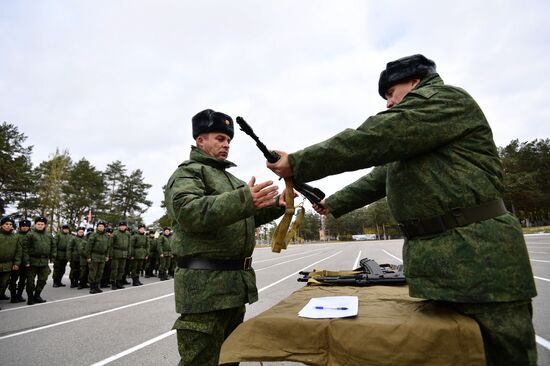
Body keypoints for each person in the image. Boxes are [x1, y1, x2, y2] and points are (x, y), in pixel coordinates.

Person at [266, 54, 537, 366]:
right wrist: (334, 203)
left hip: (481, 260)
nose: (389, 104)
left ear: (415, 82)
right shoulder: (421, 135)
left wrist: (299, 162)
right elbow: (382, 175)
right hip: (447, 261)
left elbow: (375, 136)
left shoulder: (443, 100)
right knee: (457, 354)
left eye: (391, 94)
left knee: (502, 352)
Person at [164, 108, 286, 366]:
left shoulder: (231, 179)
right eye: (220, 138)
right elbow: (189, 212)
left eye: (228, 140)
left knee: (229, 359)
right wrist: (244, 199)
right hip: (204, 291)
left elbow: (244, 218)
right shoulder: (189, 173)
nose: (226, 144)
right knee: (201, 361)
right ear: (200, 140)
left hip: (233, 287)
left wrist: (277, 204)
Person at [22, 216, 56, 305]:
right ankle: (30, 297)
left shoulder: (49, 235)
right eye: (38, 224)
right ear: (35, 225)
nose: (40, 226)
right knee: (30, 281)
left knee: (43, 279)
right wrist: (26, 261)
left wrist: (53, 257)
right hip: (32, 261)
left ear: (45, 225)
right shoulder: (30, 234)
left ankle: (37, 295)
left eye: (42, 224)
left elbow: (53, 246)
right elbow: (25, 248)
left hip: (44, 261)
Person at [0, 216, 22, 310]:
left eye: (10, 224)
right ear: (2, 225)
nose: (8, 226)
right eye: (6, 224)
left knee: (3, 284)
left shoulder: (15, 237)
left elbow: (18, 251)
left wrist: (16, 263)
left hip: (8, 265)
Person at [10, 218, 31, 302]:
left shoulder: (31, 236)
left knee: (23, 280)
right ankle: (13, 296)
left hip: (26, 262)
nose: (24, 227)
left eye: (26, 226)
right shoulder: (15, 236)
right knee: (13, 280)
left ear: (29, 227)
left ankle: (19, 295)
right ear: (20, 227)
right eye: (22, 226)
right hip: (16, 262)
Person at [86, 221, 110, 294]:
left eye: (102, 226)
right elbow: (88, 247)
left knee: (100, 272)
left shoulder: (106, 236)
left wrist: (107, 255)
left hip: (102, 256)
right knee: (93, 272)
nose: (101, 227)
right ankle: (92, 287)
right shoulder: (94, 235)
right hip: (94, 255)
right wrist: (88, 256)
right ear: (97, 227)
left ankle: (97, 286)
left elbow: (108, 247)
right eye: (99, 226)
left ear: (104, 227)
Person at [109, 221, 130, 290]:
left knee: (121, 269)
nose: (122, 227)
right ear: (119, 227)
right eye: (121, 226)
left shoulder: (127, 234)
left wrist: (128, 253)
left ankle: (119, 282)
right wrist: (111, 254)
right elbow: (110, 244)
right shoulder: (115, 233)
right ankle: (113, 283)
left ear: (126, 227)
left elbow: (129, 244)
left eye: (124, 226)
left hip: (124, 253)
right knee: (114, 269)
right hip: (116, 253)